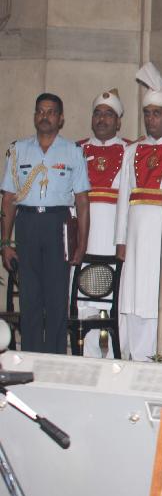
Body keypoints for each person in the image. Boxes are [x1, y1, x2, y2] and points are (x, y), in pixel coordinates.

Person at [1, 93, 90, 353]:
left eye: (51, 112)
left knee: (56, 298)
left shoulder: (73, 152)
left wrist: (82, 244)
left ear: (60, 119)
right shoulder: (18, 150)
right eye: (40, 111)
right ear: (34, 116)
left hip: (57, 225)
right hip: (27, 223)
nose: (45, 116)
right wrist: (5, 243)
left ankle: (54, 359)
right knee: (29, 298)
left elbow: (82, 202)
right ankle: (30, 357)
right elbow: (8, 200)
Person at [115, 65, 162, 361]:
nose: (151, 119)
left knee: (151, 291)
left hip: (158, 232)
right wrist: (120, 239)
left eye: (156, 113)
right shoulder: (132, 151)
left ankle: (153, 353)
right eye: (147, 113)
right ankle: (132, 352)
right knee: (133, 292)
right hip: (135, 235)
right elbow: (124, 197)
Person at [78, 89, 130, 357]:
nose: (102, 119)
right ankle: (87, 362)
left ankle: (114, 362)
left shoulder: (130, 150)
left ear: (118, 121)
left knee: (116, 305)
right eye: (97, 113)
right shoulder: (77, 149)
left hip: (114, 243)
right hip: (84, 243)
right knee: (82, 304)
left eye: (109, 114)